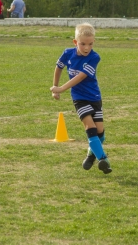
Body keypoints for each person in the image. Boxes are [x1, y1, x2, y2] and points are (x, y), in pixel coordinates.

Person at [50, 23, 112, 174]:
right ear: (75, 42)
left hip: (94, 97)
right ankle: (103, 159)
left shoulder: (94, 57)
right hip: (79, 98)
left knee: (100, 134)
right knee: (90, 128)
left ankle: (91, 156)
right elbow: (58, 67)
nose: (86, 48)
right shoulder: (67, 53)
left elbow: (81, 77)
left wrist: (62, 88)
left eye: (90, 44)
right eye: (83, 44)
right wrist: (55, 87)